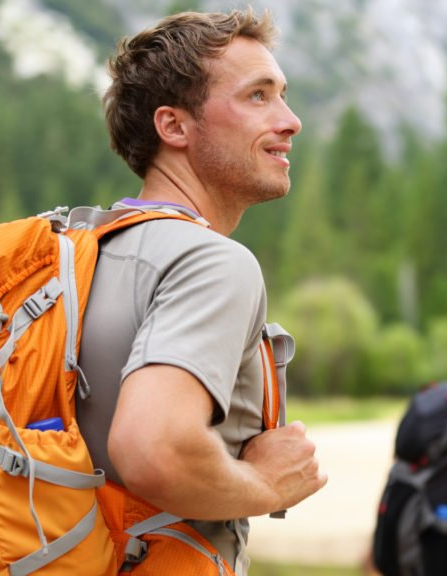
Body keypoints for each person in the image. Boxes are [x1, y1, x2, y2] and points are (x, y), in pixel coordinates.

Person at [75, 8, 327, 575]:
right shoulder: (211, 262)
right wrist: (265, 483)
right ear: (175, 127)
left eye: (282, 94)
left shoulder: (82, 253)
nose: (291, 121)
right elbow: (152, 450)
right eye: (258, 96)